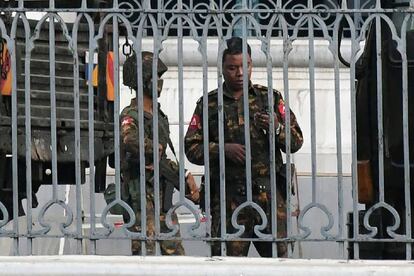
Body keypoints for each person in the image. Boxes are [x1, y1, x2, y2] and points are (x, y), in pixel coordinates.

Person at [184, 37, 303, 257]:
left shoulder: (269, 98)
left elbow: (296, 141)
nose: (239, 73)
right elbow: (191, 147)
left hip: (269, 199)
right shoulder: (209, 104)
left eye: (244, 66)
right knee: (229, 265)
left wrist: (277, 128)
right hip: (228, 200)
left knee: (278, 263)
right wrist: (222, 149)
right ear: (222, 68)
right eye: (232, 67)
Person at [120, 51, 200, 255]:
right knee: (144, 259)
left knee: (176, 258)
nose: (159, 82)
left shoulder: (159, 115)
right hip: (141, 200)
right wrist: (152, 148)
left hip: (163, 197)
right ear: (143, 80)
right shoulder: (131, 115)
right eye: (155, 77)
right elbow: (129, 140)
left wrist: (183, 176)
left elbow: (162, 160)